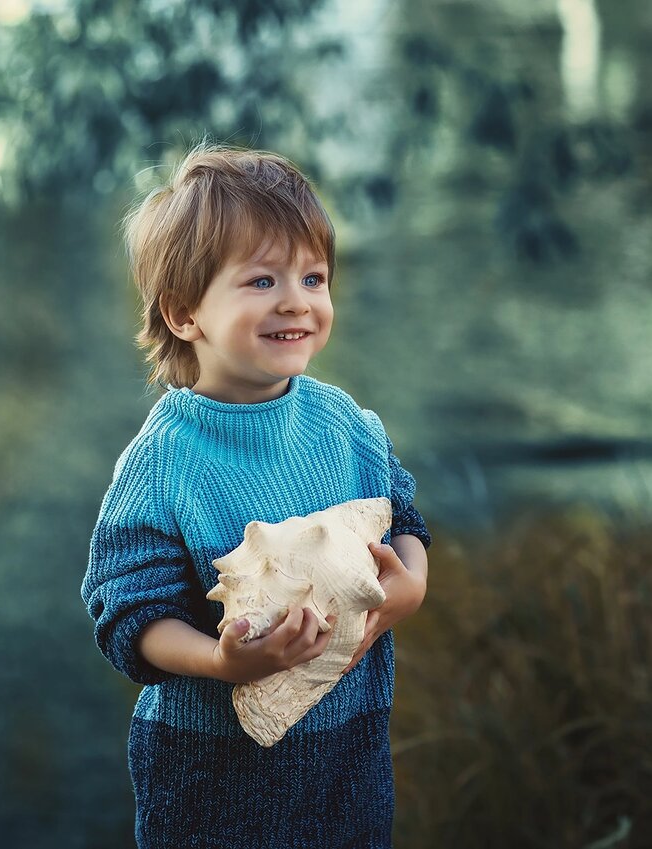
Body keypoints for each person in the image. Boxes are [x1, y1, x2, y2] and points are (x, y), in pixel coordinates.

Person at [81, 142, 432, 849]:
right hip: (210, 784)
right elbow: (127, 610)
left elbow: (406, 515)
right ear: (185, 314)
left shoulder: (348, 425)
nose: (296, 300)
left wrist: (409, 589)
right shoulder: (163, 460)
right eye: (263, 280)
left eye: (313, 276)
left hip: (347, 767)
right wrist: (223, 661)